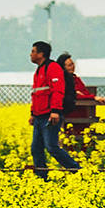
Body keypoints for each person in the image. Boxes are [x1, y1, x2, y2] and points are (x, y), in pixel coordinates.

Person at [28, 40, 79, 179]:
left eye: (33, 51)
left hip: (49, 115)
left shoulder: (52, 68)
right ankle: (41, 177)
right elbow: (37, 93)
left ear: (41, 54)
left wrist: (55, 110)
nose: (31, 54)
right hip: (39, 116)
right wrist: (33, 113)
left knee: (51, 147)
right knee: (36, 148)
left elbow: (58, 90)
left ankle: (77, 170)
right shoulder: (39, 70)